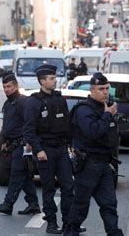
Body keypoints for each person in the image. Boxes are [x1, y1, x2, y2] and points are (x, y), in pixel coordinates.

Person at [23, 64, 83, 234]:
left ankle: (68, 222)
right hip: (46, 150)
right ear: (42, 81)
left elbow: (67, 124)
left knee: (68, 186)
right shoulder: (34, 102)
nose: (55, 80)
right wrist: (38, 149)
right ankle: (51, 222)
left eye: (54, 77)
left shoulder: (59, 99)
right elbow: (28, 130)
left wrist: (71, 145)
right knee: (48, 188)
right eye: (51, 78)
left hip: (62, 149)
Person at [64, 72, 123, 236]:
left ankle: (114, 232)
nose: (105, 92)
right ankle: (71, 231)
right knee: (81, 203)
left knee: (109, 203)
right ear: (92, 90)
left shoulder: (105, 108)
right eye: (101, 89)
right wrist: (107, 116)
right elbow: (93, 131)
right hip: (88, 164)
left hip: (104, 164)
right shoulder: (84, 110)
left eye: (107, 88)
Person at [0, 74, 40, 216]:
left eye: (9, 86)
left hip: (23, 145)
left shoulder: (23, 102)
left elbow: (31, 124)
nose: (6, 89)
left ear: (16, 86)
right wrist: (5, 143)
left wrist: (30, 142)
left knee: (16, 173)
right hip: (13, 144)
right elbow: (7, 125)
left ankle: (8, 204)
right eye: (4, 87)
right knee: (23, 176)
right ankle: (33, 204)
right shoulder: (8, 103)